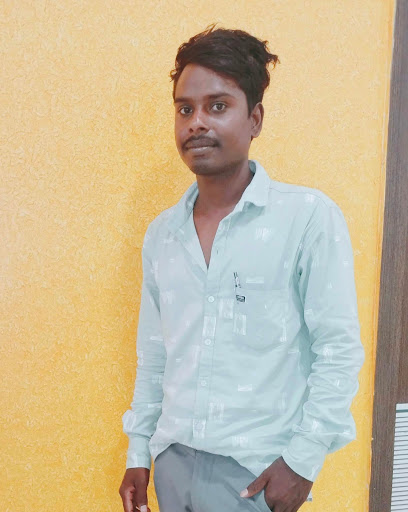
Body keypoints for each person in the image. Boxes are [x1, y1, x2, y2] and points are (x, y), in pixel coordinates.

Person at [119, 24, 364, 512]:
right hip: (173, 465)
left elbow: (338, 349)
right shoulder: (162, 234)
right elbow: (155, 356)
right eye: (185, 109)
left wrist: (303, 462)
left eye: (217, 106)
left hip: (255, 474)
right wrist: (139, 452)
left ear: (254, 119)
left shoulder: (306, 218)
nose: (196, 123)